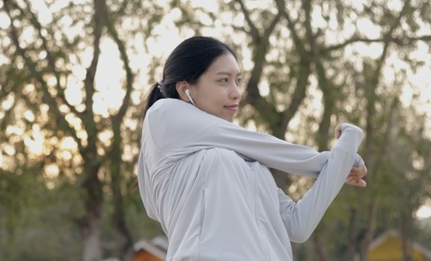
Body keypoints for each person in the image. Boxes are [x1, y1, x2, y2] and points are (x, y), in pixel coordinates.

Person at [137, 36, 367, 260]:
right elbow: (263, 146)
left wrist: (343, 154)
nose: (236, 92)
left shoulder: (250, 163)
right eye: (223, 80)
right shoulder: (163, 117)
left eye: (238, 81)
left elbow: (298, 225)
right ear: (185, 89)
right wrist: (334, 160)